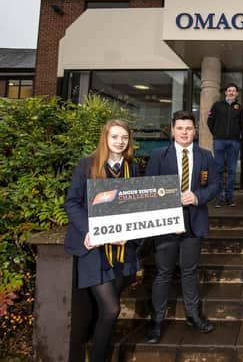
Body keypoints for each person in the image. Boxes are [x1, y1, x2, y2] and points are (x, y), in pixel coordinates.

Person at [64, 119, 140, 362]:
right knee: (111, 309)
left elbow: (136, 205)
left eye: (124, 138)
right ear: (105, 138)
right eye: (115, 137)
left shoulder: (132, 167)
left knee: (107, 314)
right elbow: (72, 202)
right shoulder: (87, 165)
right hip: (94, 251)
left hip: (121, 250)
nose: (120, 142)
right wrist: (89, 230)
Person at [145, 111, 217, 344]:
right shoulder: (158, 155)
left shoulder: (206, 156)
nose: (185, 132)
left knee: (189, 271)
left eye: (189, 128)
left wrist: (197, 196)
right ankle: (156, 321)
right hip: (166, 222)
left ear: (195, 131)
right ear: (172, 130)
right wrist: (169, 207)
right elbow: (149, 188)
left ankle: (193, 316)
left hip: (194, 221)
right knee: (164, 272)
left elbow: (215, 185)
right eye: (180, 128)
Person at [207, 83, 243, 207]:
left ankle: (229, 197)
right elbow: (210, 122)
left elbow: (242, 124)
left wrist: (236, 134)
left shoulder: (239, 107)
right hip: (219, 141)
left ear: (237, 93)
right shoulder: (217, 105)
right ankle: (219, 198)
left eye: (234, 91)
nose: (231, 92)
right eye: (229, 90)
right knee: (218, 170)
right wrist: (217, 133)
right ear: (225, 92)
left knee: (232, 171)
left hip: (234, 142)